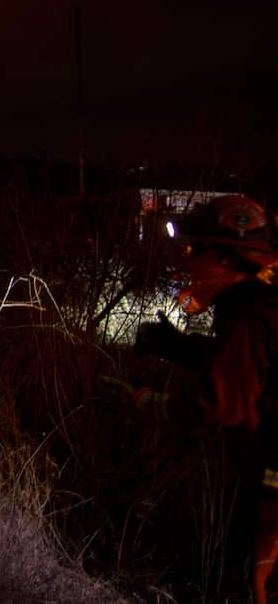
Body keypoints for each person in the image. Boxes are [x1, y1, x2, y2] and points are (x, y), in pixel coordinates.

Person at [118, 194, 277, 602]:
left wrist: (145, 402)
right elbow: (236, 364)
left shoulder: (248, 315)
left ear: (226, 257)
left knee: (255, 582)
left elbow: (223, 403)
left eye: (195, 250)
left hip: (274, 485)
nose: (188, 261)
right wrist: (172, 345)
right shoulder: (252, 308)